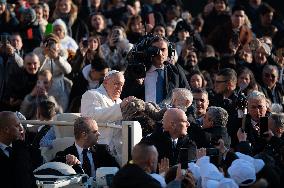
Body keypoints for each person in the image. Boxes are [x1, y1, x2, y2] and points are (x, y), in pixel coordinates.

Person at [123, 35, 189, 105]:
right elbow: (124, 96)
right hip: (142, 114)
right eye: (155, 50)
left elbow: (188, 97)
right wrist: (136, 83)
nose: (160, 54)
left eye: (163, 49)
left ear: (169, 52)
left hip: (169, 114)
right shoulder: (137, 71)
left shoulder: (176, 72)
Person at [54, 117, 119, 177]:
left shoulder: (103, 151)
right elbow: (50, 167)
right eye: (95, 132)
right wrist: (66, 161)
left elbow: (118, 172)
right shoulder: (66, 155)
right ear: (84, 135)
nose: (99, 134)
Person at [112, 142, 182, 188]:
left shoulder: (118, 176)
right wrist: (177, 180)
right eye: (156, 158)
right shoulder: (149, 183)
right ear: (151, 161)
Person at [0, 111, 37, 188]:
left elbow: (37, 161)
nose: (21, 129)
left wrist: (24, 142)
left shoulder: (20, 147)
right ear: (6, 130)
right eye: (17, 126)